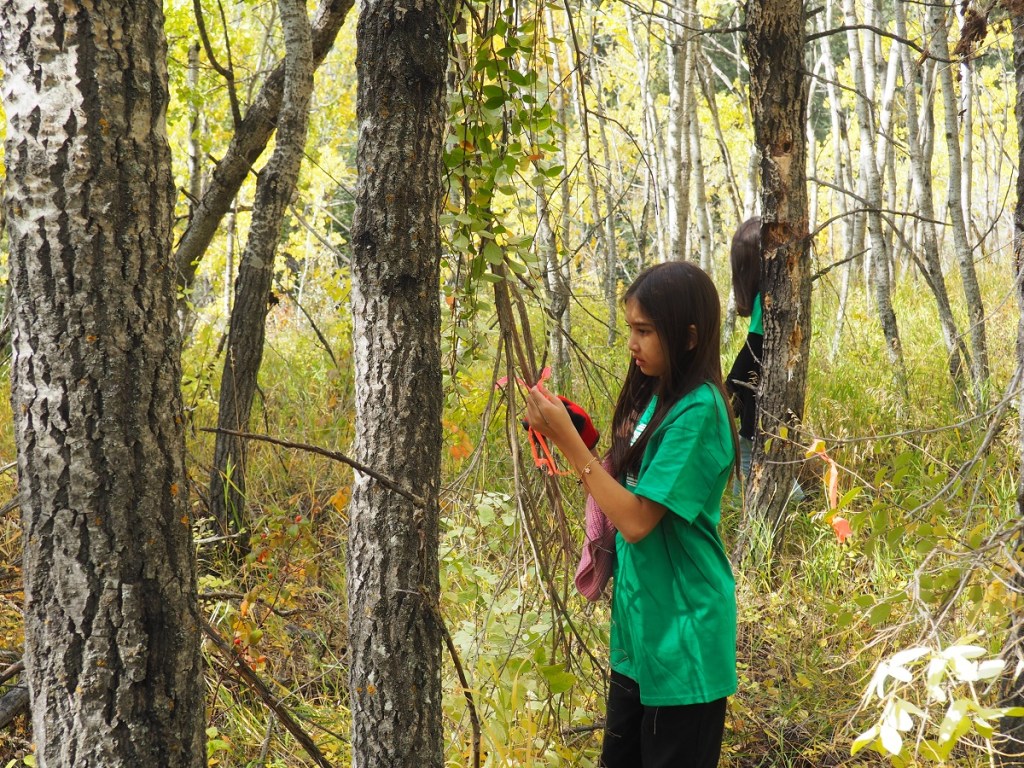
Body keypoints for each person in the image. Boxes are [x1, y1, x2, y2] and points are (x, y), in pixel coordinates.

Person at [525, 261, 738, 768]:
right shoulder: (656, 395)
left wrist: (569, 443)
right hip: (641, 633)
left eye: (644, 331)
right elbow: (628, 481)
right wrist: (580, 435)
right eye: (630, 329)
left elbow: (638, 521)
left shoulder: (700, 411)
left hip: (685, 639)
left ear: (689, 337)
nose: (632, 344)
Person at [725, 216, 763, 483]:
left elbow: (755, 346)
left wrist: (729, 385)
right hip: (760, 394)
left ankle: (746, 511)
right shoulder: (770, 295)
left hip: (762, 401)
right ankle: (800, 500)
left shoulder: (765, 297)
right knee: (763, 456)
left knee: (748, 454)